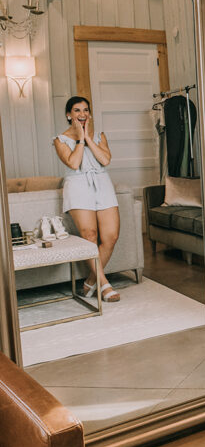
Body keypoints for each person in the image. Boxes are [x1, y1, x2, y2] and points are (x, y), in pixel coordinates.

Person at [53, 96, 121, 303]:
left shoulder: (99, 135)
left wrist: (89, 138)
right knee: (90, 235)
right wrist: (80, 139)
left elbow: (105, 160)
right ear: (68, 115)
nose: (82, 114)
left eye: (85, 110)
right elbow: (74, 163)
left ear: (89, 114)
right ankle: (104, 284)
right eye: (76, 110)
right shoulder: (60, 139)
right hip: (78, 186)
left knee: (110, 236)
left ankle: (91, 280)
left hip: (102, 184)